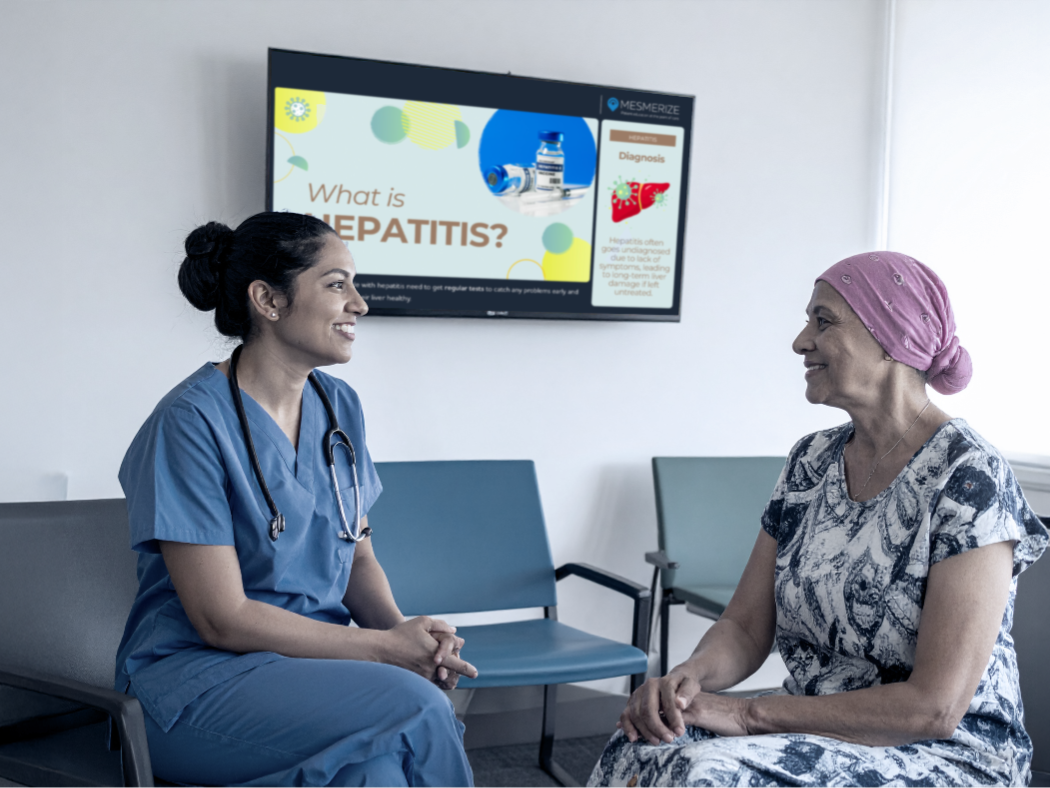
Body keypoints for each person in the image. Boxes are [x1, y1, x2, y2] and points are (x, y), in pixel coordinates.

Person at [590, 252, 1048, 787]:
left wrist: (745, 714)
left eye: (823, 321)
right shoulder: (811, 460)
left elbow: (935, 708)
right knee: (639, 747)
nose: (800, 341)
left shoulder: (970, 476)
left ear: (890, 338)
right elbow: (744, 625)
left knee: (705, 776)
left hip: (945, 750)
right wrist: (686, 682)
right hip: (815, 724)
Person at [115, 211, 477, 787]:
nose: (359, 304)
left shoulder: (339, 407)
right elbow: (221, 619)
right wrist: (384, 651)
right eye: (337, 284)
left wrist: (410, 640)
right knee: (418, 706)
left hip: (314, 670)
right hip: (195, 688)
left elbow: (355, 554)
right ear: (268, 300)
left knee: (377, 776)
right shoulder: (188, 423)